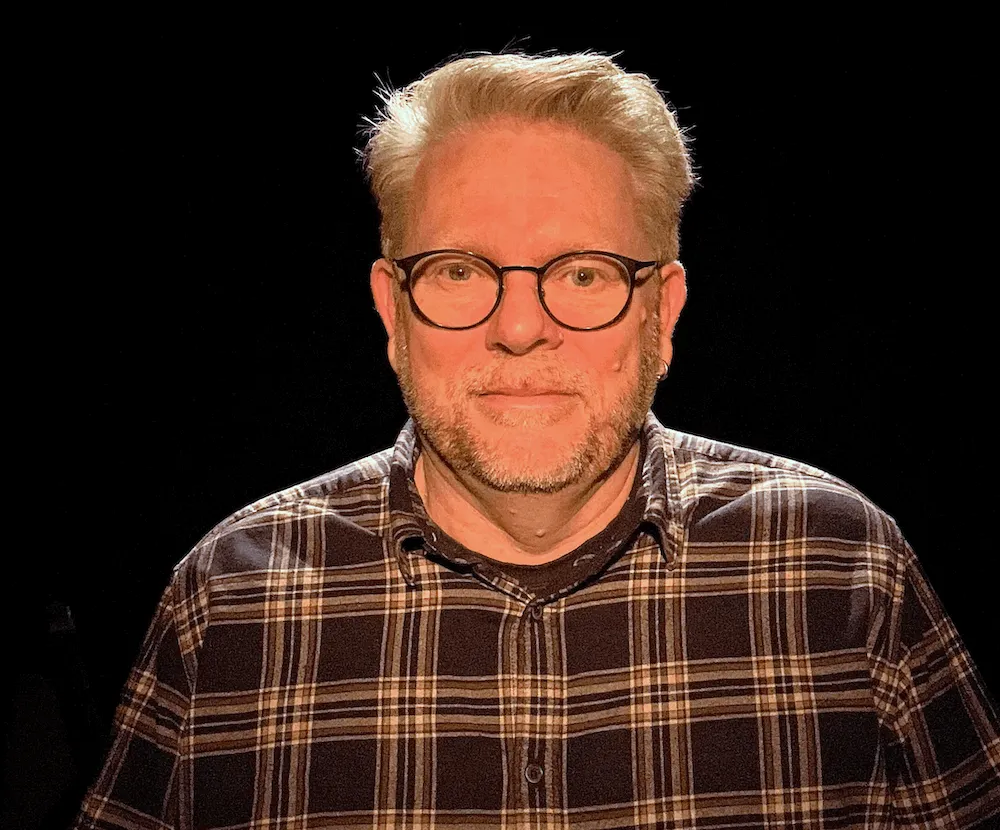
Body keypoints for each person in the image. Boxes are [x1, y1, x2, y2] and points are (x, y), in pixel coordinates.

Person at [74, 52, 999, 829]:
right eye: (459, 270)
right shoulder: (231, 600)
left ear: (663, 313)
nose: (520, 329)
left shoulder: (842, 567)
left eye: (585, 274)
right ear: (392, 311)